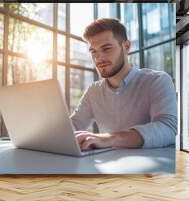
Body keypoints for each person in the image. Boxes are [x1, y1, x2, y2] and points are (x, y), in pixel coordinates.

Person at [70, 18, 177, 150]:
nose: (98, 58)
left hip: (152, 168)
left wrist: (108, 138)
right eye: (93, 52)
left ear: (126, 47)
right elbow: (73, 125)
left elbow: (168, 128)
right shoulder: (93, 91)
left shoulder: (157, 81)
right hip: (109, 166)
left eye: (106, 48)